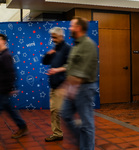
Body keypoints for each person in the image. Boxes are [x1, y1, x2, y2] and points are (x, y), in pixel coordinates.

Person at [48, 17, 98, 150]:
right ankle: (84, 141)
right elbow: (70, 66)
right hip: (73, 87)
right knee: (65, 115)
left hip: (84, 88)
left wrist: (66, 87)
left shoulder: (88, 45)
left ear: (79, 28)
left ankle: (87, 145)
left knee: (87, 123)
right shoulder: (76, 45)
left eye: (71, 26)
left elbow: (83, 72)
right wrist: (58, 71)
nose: (69, 28)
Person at [42, 27, 71, 142]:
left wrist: (57, 70)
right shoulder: (55, 49)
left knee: (60, 111)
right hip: (54, 86)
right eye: (52, 37)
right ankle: (57, 133)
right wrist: (48, 55)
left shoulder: (67, 49)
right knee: (54, 111)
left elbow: (71, 65)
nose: (52, 39)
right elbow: (44, 62)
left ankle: (77, 130)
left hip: (62, 86)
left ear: (61, 36)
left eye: (54, 37)